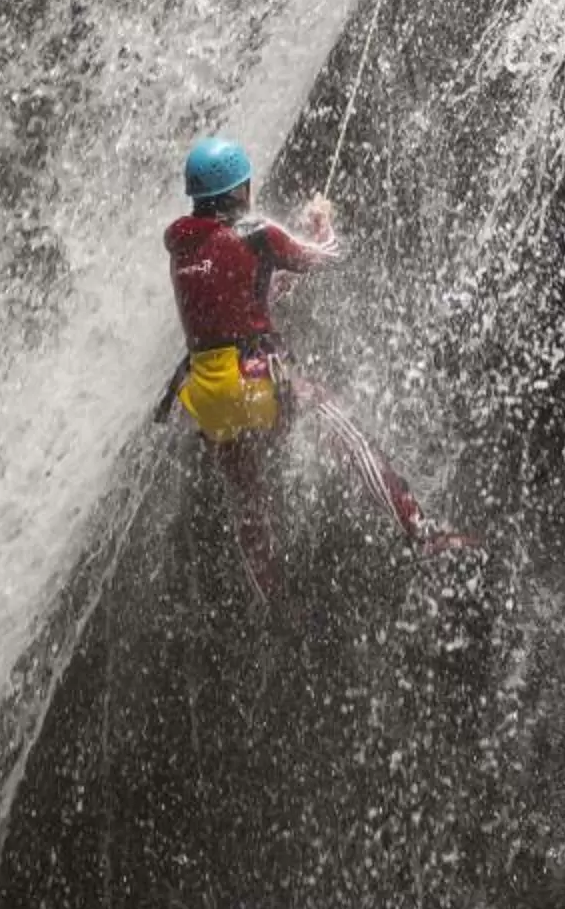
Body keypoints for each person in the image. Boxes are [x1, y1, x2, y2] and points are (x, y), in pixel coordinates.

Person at [159, 132, 470, 604]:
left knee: (247, 500)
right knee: (348, 434)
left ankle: (269, 600)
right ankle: (421, 531)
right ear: (240, 190)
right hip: (255, 383)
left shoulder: (182, 250)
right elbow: (324, 258)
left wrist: (279, 256)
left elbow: (246, 297)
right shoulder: (257, 231)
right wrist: (322, 225)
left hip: (206, 399)